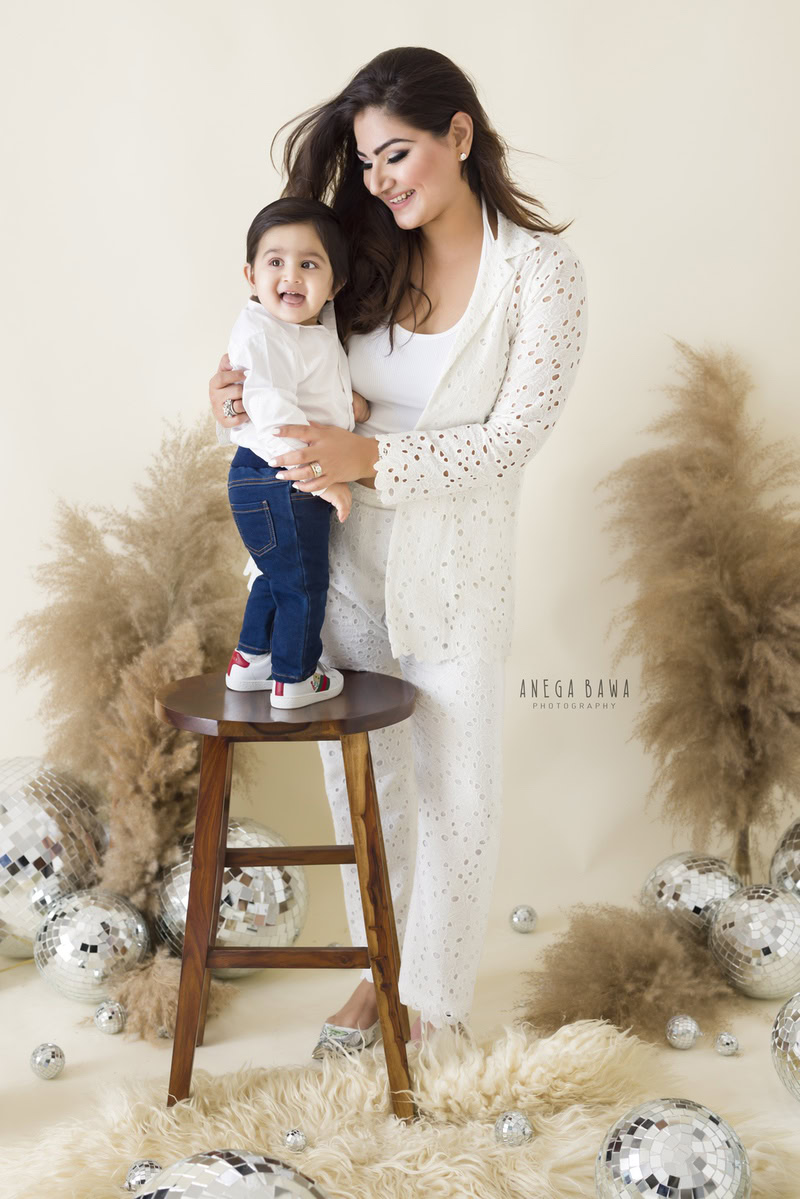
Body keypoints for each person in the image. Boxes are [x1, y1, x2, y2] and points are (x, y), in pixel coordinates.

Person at [211, 47, 589, 1052]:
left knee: (456, 791)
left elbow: (510, 440)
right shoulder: (363, 254)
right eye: (366, 162)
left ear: (458, 135)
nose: (379, 181)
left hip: (457, 573)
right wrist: (236, 403)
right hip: (343, 560)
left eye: (397, 154)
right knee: (366, 781)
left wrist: (369, 454)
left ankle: (433, 999)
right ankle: (376, 975)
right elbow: (295, 364)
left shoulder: (538, 275)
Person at [223, 197, 371, 709]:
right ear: (250, 274)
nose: (291, 275)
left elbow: (312, 388)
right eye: (275, 262)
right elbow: (268, 406)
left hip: (274, 476)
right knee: (304, 582)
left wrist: (351, 406)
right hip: (277, 473)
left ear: (335, 285)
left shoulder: (310, 330)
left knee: (276, 572)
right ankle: (294, 677)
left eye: (309, 264)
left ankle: (252, 658)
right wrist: (320, 477)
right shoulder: (259, 330)